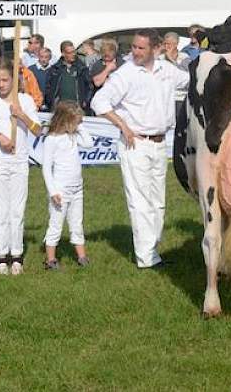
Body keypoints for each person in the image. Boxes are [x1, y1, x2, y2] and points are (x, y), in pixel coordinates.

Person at [91, 29, 189, 269]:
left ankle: (152, 249)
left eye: (140, 48)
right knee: (140, 199)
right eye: (134, 47)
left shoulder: (167, 71)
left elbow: (191, 80)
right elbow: (99, 102)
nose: (135, 51)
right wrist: (122, 125)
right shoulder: (125, 74)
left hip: (159, 143)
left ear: (156, 49)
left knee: (158, 201)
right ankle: (146, 257)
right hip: (135, 143)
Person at [0, 58, 40, 275]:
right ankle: (0, 254)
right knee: (0, 209)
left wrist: (21, 114)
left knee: (17, 210)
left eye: (5, 80)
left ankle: (17, 254)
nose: (1, 84)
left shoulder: (25, 100)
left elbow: (37, 129)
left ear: (14, 80)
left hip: (20, 162)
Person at [41, 101, 92, 269]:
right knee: (56, 224)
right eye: (75, 122)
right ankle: (50, 259)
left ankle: (82, 256)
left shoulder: (73, 135)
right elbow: (46, 168)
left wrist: (81, 126)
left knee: (77, 223)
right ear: (64, 120)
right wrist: (53, 191)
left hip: (77, 188)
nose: (77, 125)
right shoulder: (51, 140)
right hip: (61, 191)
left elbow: (89, 143)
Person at [45, 41, 92, 114]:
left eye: (74, 52)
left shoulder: (81, 68)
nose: (73, 54)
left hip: (77, 107)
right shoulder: (55, 69)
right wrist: (50, 101)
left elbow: (90, 86)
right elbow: (48, 87)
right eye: (70, 52)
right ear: (63, 53)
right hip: (59, 107)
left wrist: (85, 101)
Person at [158, 32, 190, 121]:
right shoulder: (159, 58)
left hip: (180, 98)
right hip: (164, 99)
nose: (166, 46)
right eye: (165, 44)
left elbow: (186, 76)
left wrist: (172, 61)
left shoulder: (185, 58)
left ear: (176, 44)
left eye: (169, 44)